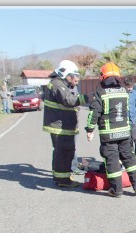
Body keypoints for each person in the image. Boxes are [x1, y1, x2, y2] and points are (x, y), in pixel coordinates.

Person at [85, 62, 136, 197]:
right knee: (129, 158)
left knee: (112, 160)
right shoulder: (124, 90)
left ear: (103, 76)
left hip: (109, 134)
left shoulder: (100, 92)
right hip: (125, 131)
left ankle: (116, 190)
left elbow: (94, 113)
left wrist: (89, 130)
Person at [42, 59, 89, 187]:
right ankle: (63, 180)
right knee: (64, 152)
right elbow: (69, 100)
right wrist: (88, 98)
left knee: (61, 152)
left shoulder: (59, 84)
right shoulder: (58, 85)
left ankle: (60, 176)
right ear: (65, 74)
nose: (75, 79)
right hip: (60, 126)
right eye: (73, 76)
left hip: (62, 125)